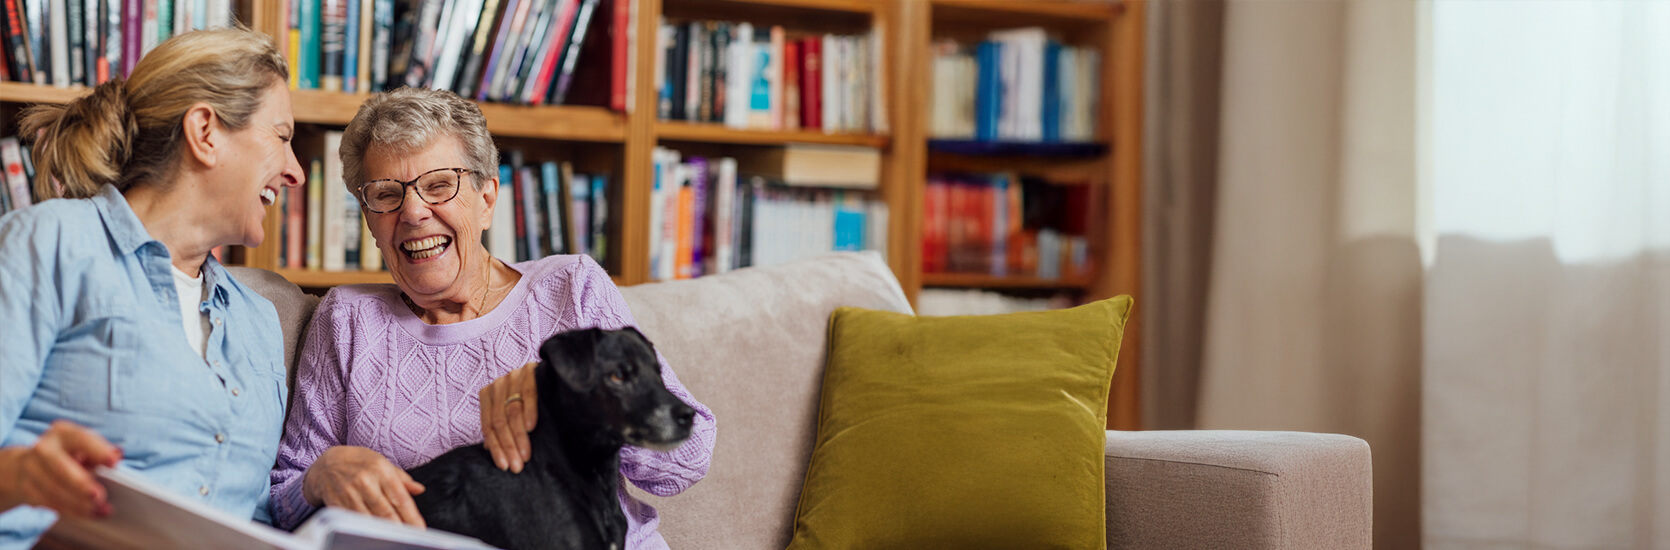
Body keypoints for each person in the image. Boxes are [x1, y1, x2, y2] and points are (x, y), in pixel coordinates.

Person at [269, 87, 716, 549]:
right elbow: (280, 503)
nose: (414, 212)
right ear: (369, 218)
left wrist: (566, 395)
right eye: (386, 194)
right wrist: (320, 476)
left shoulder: (570, 288)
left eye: (439, 185)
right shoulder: (346, 320)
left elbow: (689, 458)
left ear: (487, 199)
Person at [0, 28, 304, 548]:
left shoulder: (259, 321)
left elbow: (252, 520)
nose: (296, 171)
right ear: (205, 131)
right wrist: (18, 475)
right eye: (282, 136)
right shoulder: (49, 243)